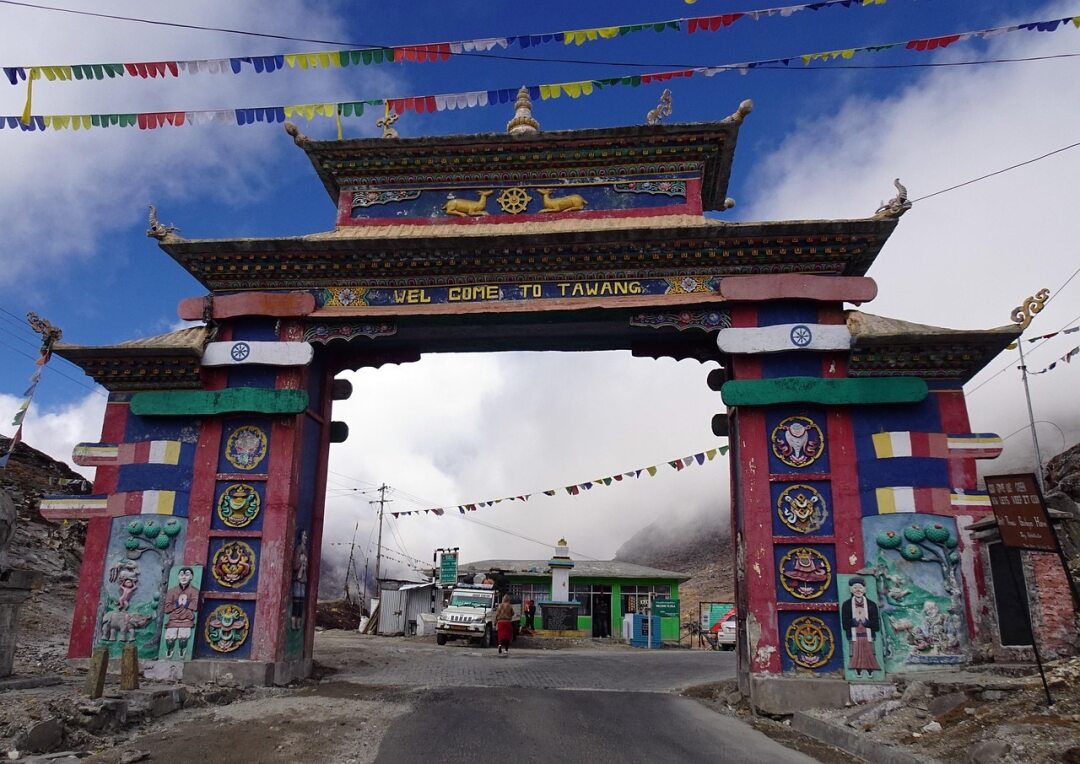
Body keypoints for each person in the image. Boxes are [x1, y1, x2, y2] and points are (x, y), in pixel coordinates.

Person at [840, 578, 881, 676]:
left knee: (869, 652)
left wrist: (865, 622)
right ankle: (857, 668)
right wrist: (855, 621)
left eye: (860, 587)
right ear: (851, 589)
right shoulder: (846, 605)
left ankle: (870, 669)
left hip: (868, 635)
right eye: (855, 588)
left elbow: (876, 625)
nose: (858, 590)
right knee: (855, 652)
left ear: (865, 589)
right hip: (854, 635)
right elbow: (845, 625)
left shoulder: (871, 605)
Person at [163, 567, 198, 659]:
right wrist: (177, 604)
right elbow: (167, 609)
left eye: (187, 575)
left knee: (183, 639)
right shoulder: (172, 591)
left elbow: (195, 606)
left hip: (187, 619)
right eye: (182, 575)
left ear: (191, 577)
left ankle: (182, 651)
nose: (184, 577)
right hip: (173, 618)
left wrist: (186, 603)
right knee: (170, 640)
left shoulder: (194, 591)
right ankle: (169, 651)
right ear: (178, 576)